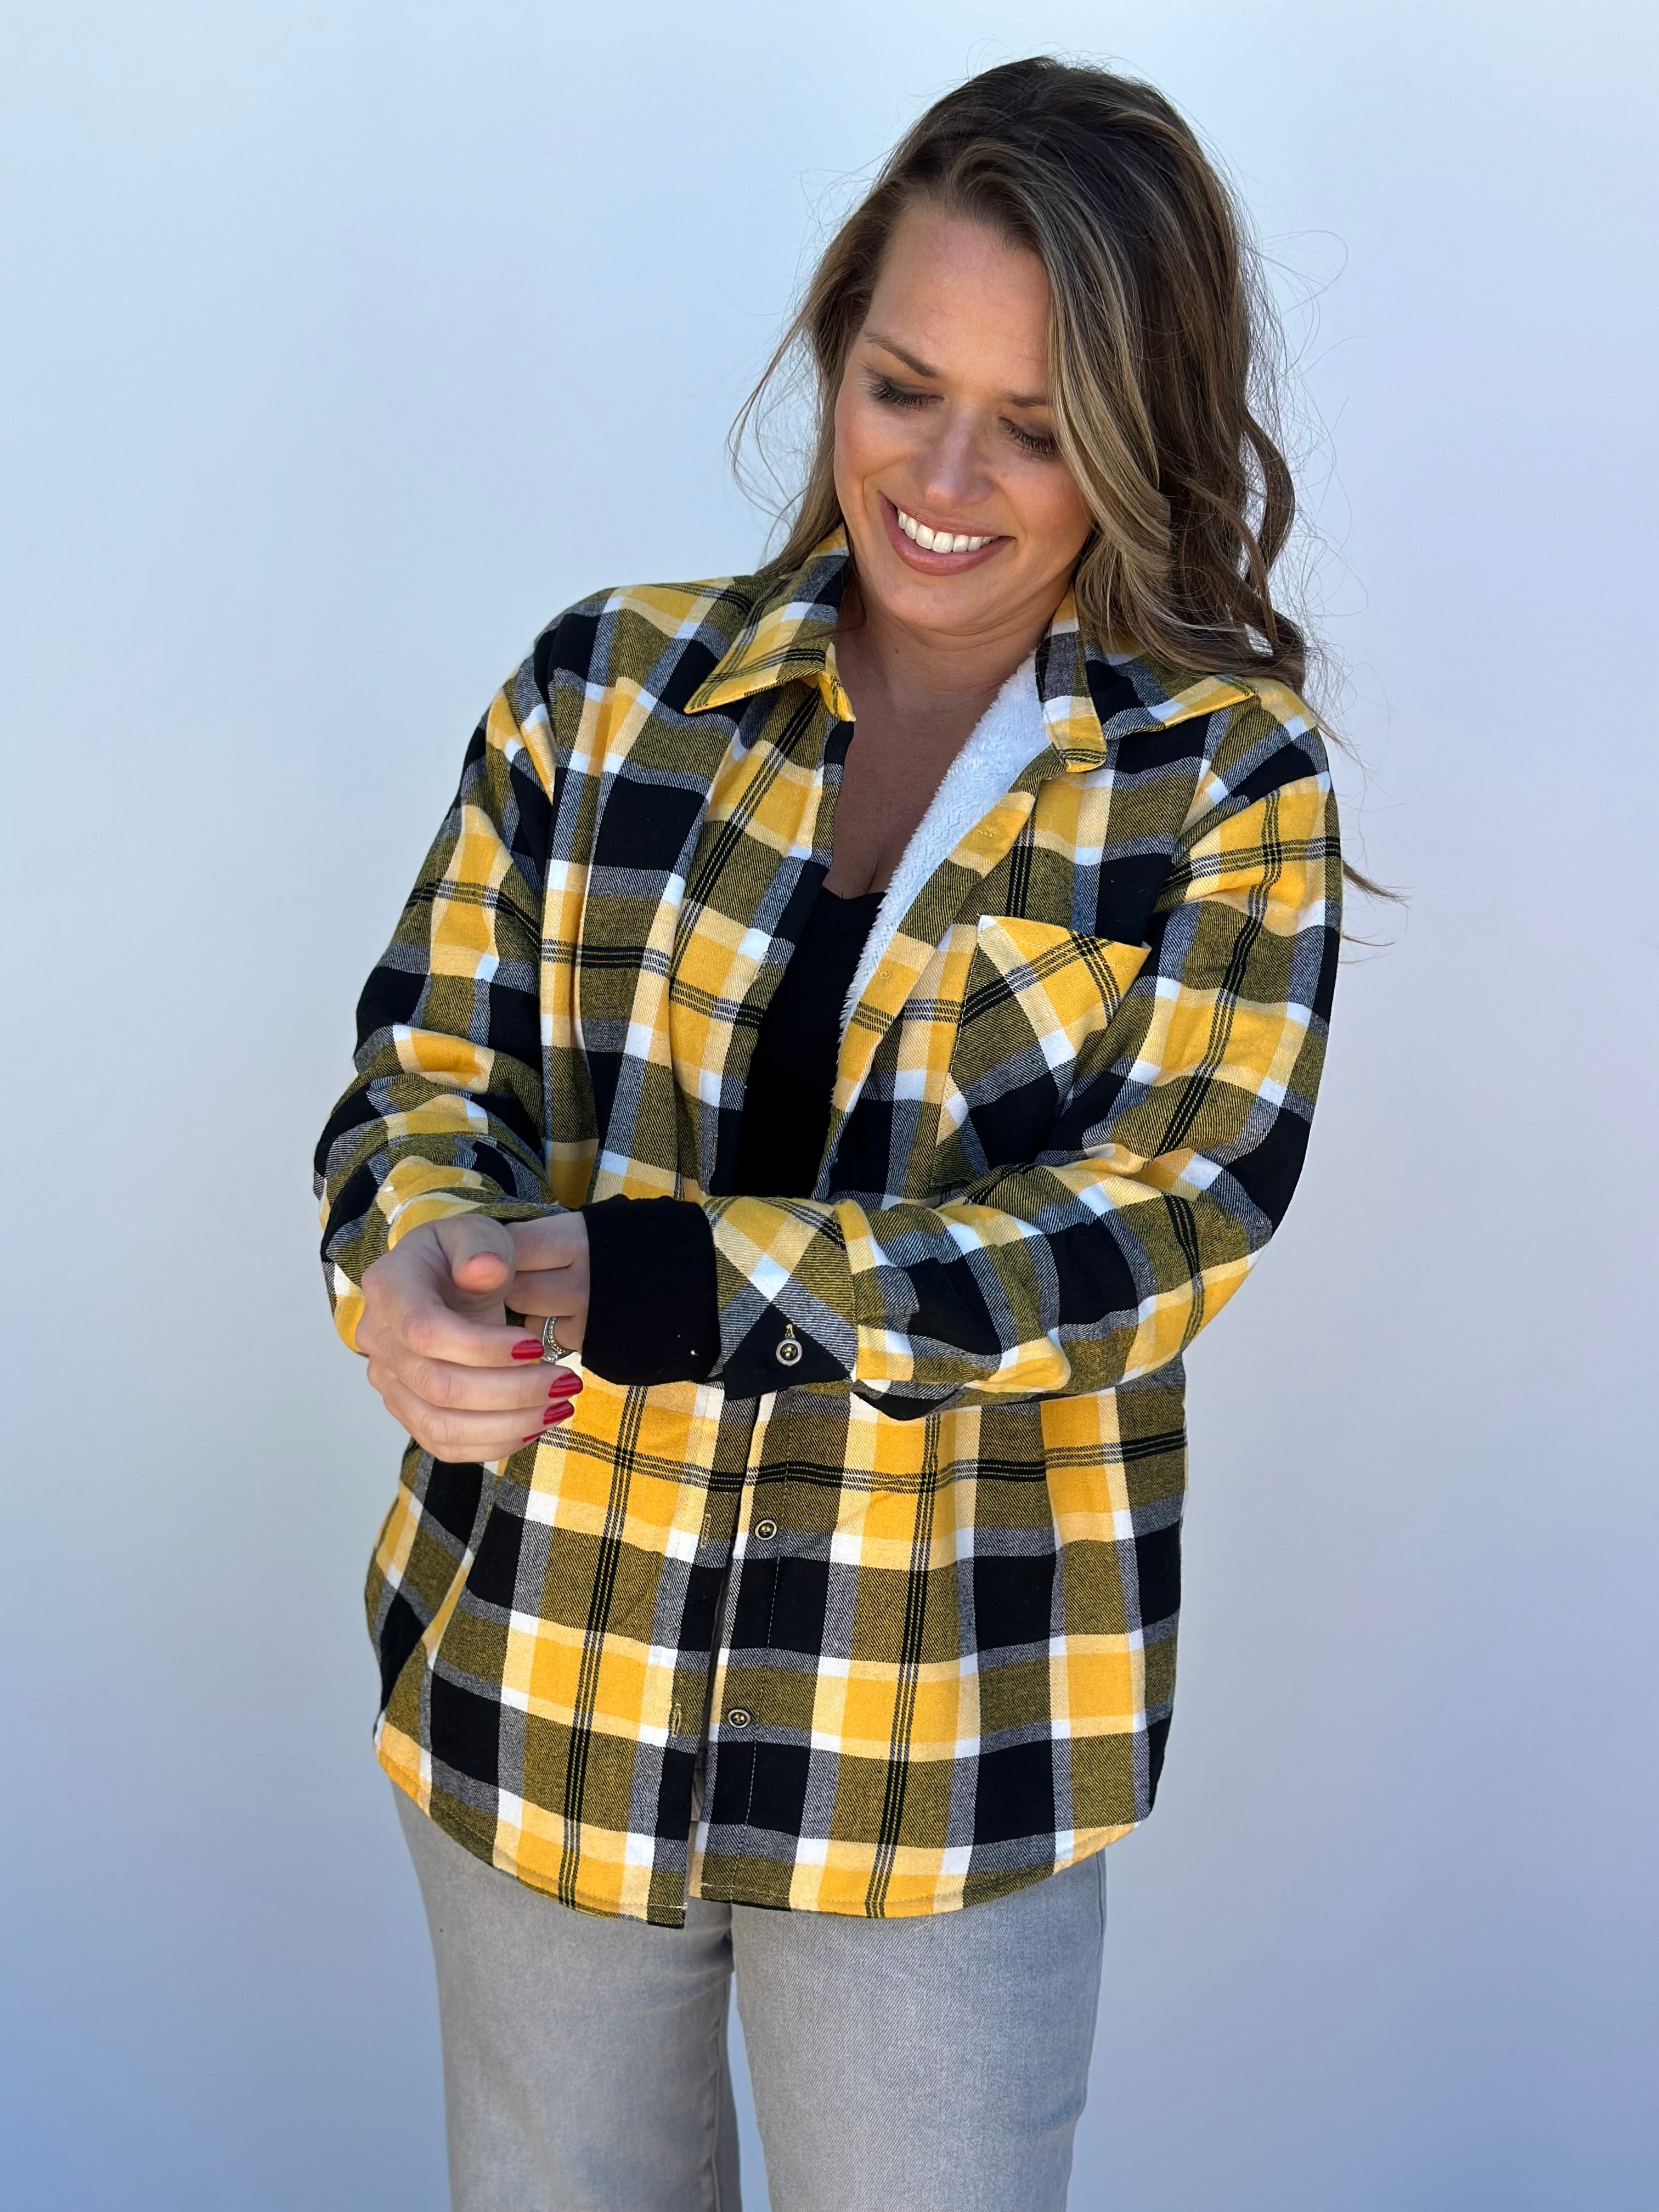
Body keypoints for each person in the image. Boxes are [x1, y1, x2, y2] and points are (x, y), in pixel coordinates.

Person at [314, 55, 1342, 2212]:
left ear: (1139, 438)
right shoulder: (604, 691)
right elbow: (424, 1074)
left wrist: (685, 1282)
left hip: (939, 1746)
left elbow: (1160, 1229)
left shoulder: (1225, 785)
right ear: (832, 353)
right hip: (542, 1671)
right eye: (902, 387)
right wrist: (399, 1268)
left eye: (1036, 425)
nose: (944, 478)